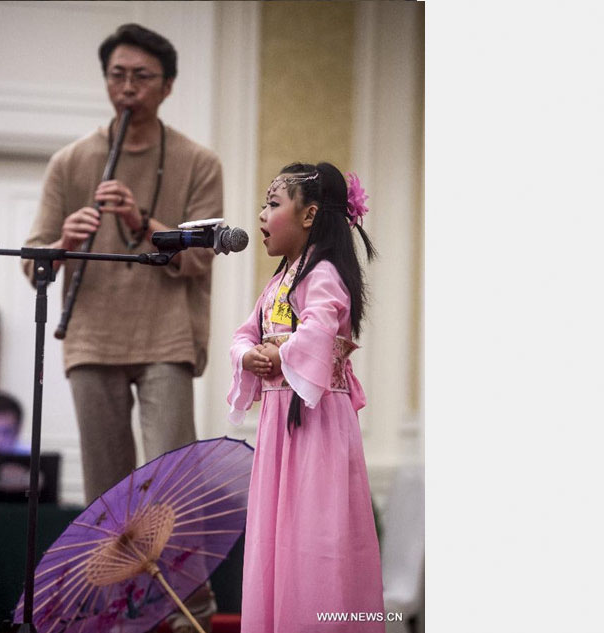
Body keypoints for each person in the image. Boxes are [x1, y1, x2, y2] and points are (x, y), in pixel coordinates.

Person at [22, 23, 221, 632]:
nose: (127, 88)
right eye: (117, 75)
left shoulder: (198, 161)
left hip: (165, 335)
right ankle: (113, 615)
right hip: (92, 341)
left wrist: (141, 222)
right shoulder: (71, 160)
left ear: (167, 87)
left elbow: (203, 255)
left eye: (141, 77)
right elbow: (34, 263)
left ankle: (194, 614)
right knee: (108, 498)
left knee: (171, 487)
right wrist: (62, 243)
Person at [227, 162, 384, 632]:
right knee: (277, 539)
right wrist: (249, 354)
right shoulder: (278, 282)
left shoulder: (325, 274)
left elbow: (319, 326)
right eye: (264, 204)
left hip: (317, 427)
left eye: (273, 204)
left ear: (310, 214)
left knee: (318, 537)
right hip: (281, 432)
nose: (261, 214)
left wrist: (282, 353)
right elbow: (243, 334)